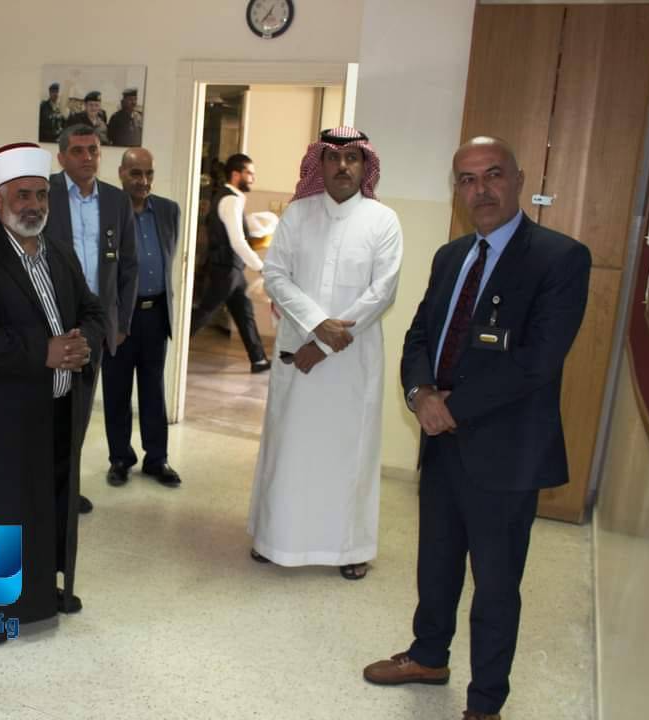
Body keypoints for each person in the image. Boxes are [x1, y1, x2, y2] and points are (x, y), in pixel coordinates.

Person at [363, 137, 591, 720]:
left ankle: (486, 702)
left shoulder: (560, 258)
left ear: (518, 180)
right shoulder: (451, 256)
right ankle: (428, 656)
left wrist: (452, 408)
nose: (480, 190)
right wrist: (420, 395)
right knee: (436, 564)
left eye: (492, 175)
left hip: (506, 454)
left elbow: (537, 361)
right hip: (442, 445)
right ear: (456, 190)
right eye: (466, 180)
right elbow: (420, 335)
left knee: (495, 584)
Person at [0, 142, 104, 639]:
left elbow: (91, 310)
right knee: (0, 514)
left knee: (47, 507)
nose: (34, 205)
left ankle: (42, 594)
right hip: (1, 413)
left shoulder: (58, 251)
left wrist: (84, 343)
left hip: (57, 408)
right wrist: (43, 351)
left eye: (41, 195)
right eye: (22, 195)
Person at [247, 127, 403, 579]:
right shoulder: (298, 214)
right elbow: (276, 276)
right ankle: (274, 537)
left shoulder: (383, 221)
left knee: (349, 453)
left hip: (352, 362)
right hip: (299, 351)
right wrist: (316, 325)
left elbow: (382, 292)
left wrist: (322, 344)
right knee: (289, 448)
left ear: (365, 164)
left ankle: (349, 548)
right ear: (319, 164)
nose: (342, 166)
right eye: (333, 158)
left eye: (352, 157)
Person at [46, 124, 139, 513]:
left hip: (94, 324)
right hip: (50, 321)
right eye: (78, 150)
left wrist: (121, 323)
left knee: (80, 411)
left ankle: (67, 490)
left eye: (94, 150)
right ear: (61, 157)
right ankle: (40, 490)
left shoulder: (117, 201)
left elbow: (128, 266)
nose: (87, 157)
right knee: (45, 410)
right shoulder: (44, 192)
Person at [103, 147, 182, 488]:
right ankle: (120, 459)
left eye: (149, 173)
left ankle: (157, 459)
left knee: (153, 391)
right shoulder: (109, 212)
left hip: (156, 314)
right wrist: (112, 319)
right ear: (122, 173)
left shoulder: (168, 210)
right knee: (117, 392)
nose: (143, 181)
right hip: (121, 318)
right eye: (136, 173)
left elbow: (167, 256)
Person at [189, 152, 270, 372]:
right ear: (236, 174)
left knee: (244, 312)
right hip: (225, 269)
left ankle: (259, 360)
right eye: (249, 173)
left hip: (231, 269)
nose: (253, 178)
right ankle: (171, 347)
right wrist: (261, 267)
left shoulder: (230, 198)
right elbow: (237, 241)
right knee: (204, 312)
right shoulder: (231, 200)